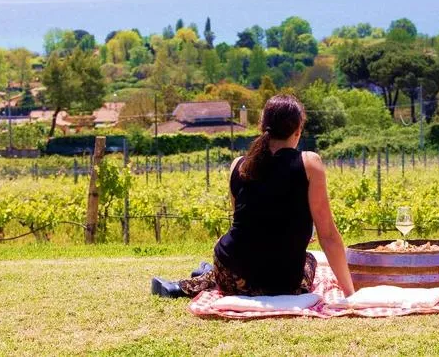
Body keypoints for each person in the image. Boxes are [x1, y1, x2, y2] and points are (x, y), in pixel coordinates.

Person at [151, 95, 355, 298]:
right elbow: (328, 235)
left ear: (262, 127)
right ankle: (206, 273)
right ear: (298, 131)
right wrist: (350, 293)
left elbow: (248, 225)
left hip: (230, 274)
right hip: (281, 283)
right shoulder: (310, 163)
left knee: (234, 255)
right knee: (309, 260)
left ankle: (207, 274)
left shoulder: (239, 164)